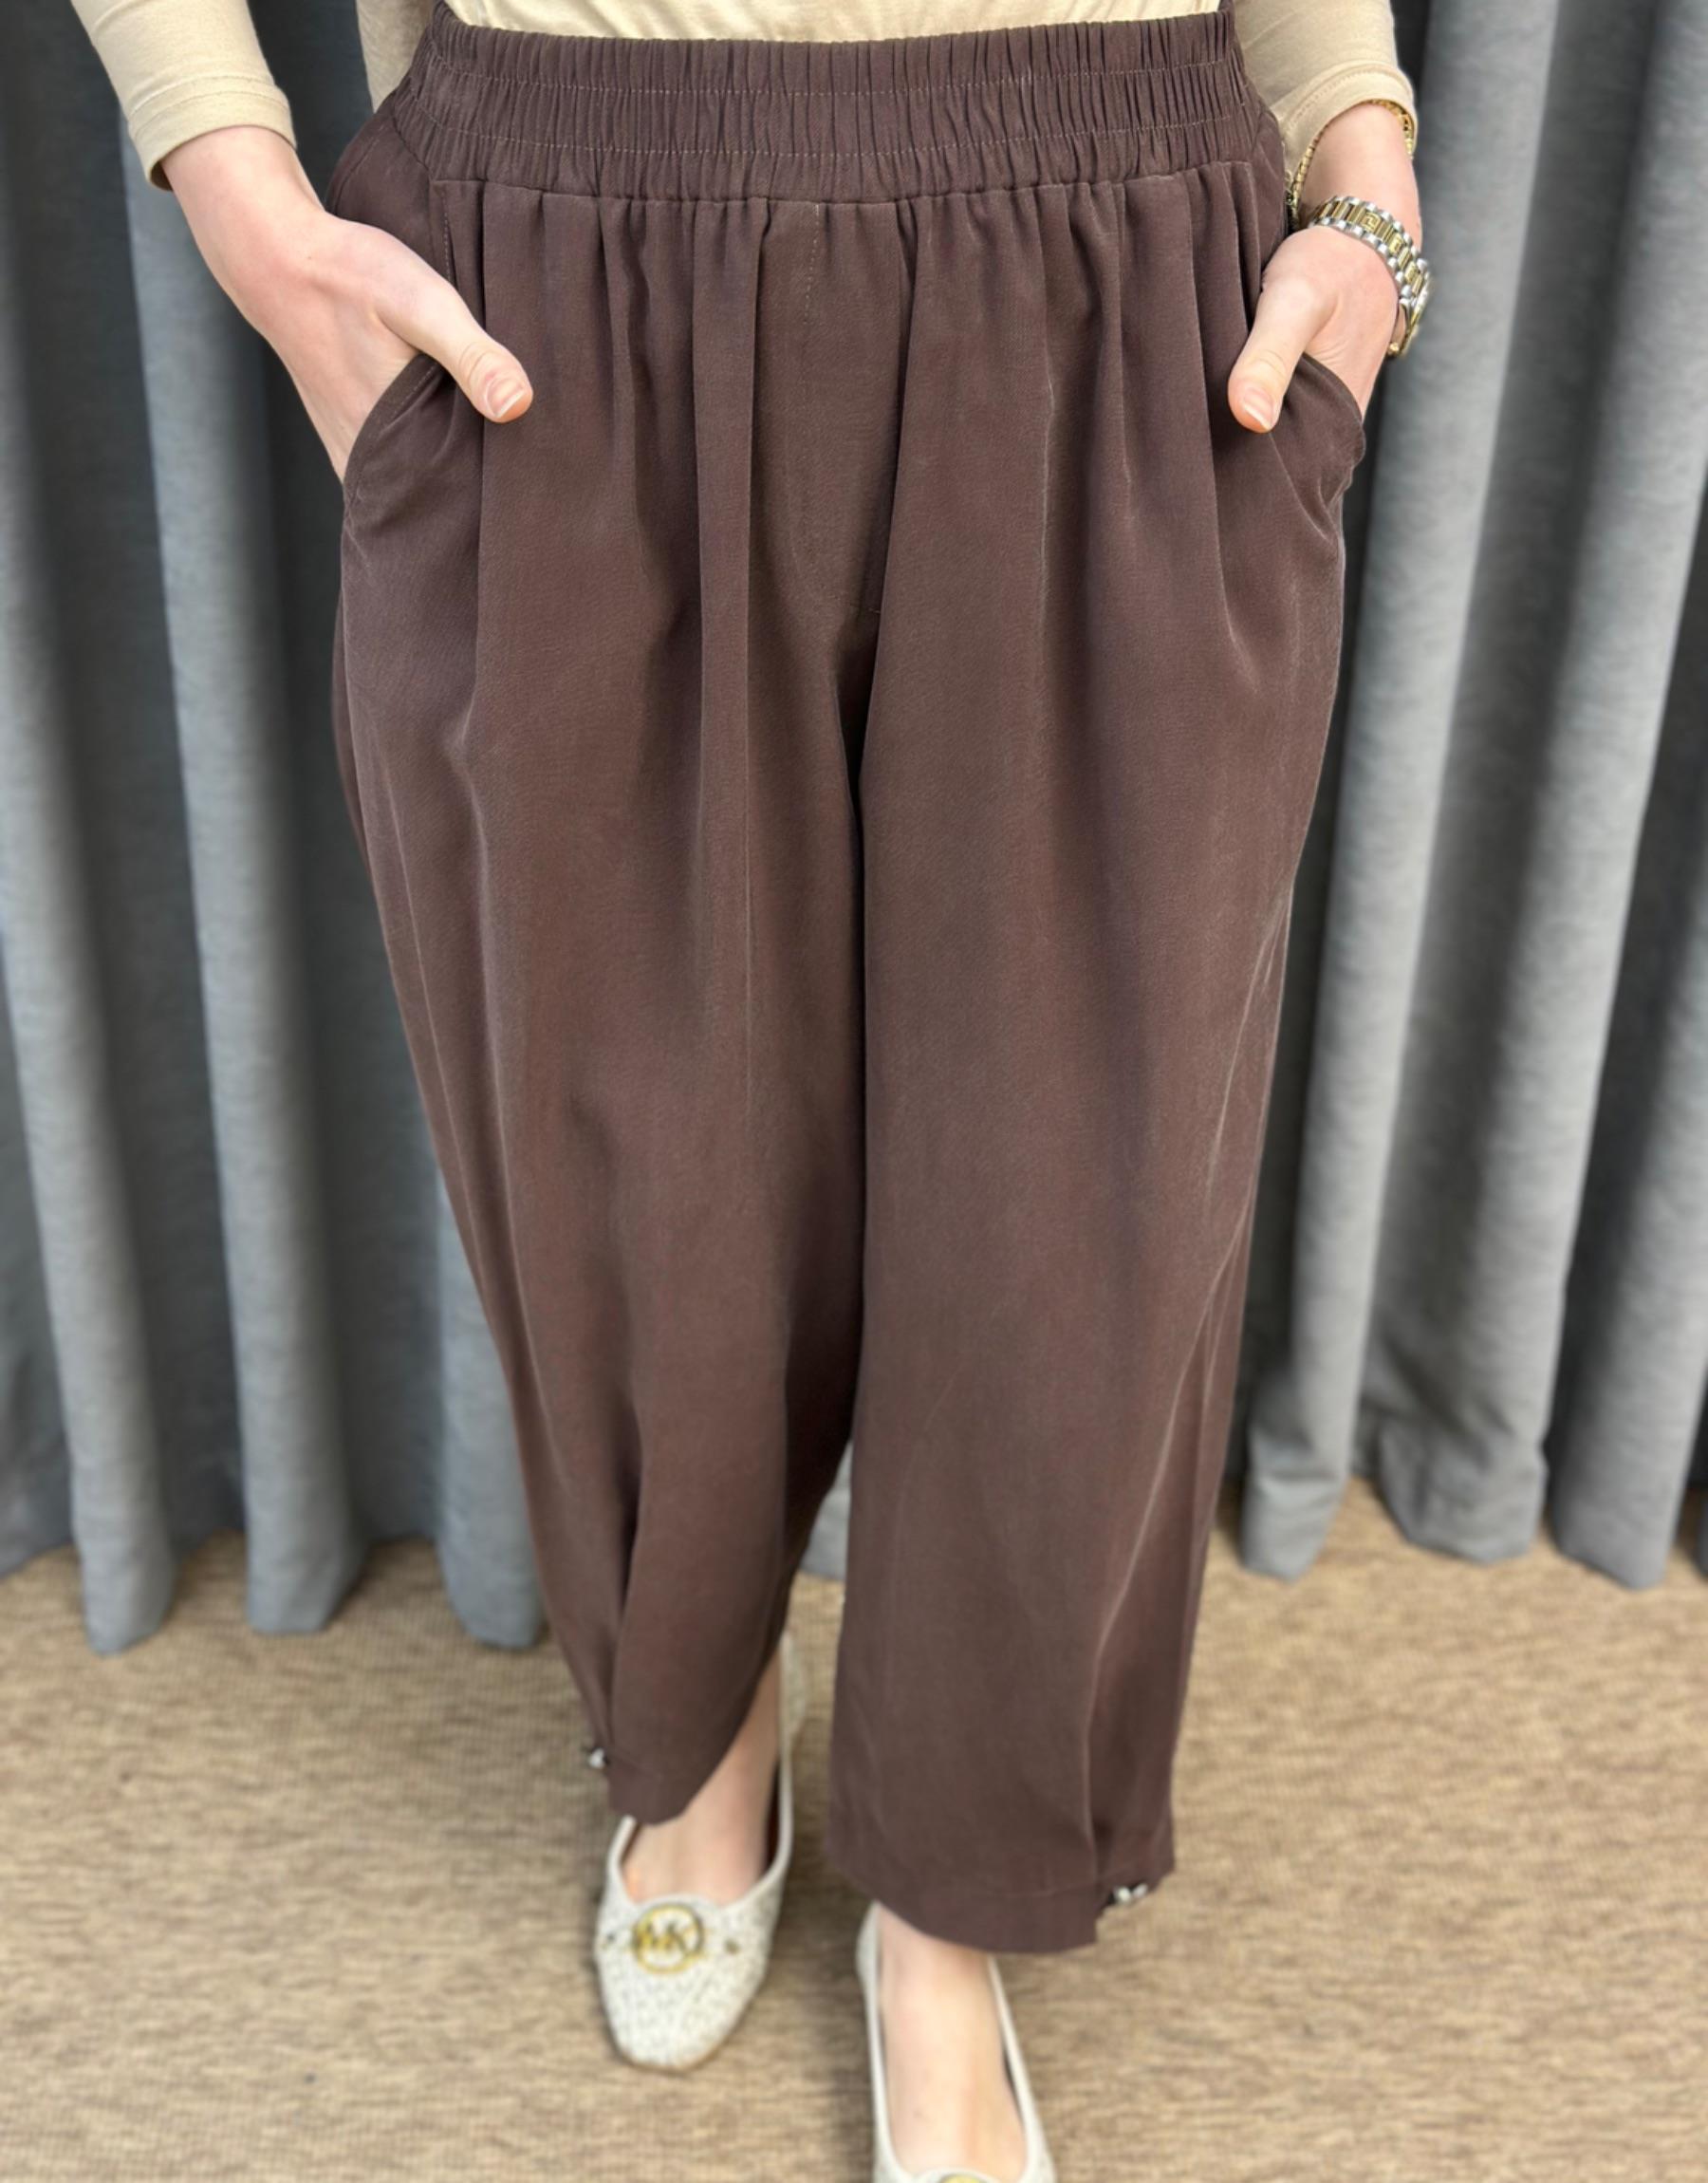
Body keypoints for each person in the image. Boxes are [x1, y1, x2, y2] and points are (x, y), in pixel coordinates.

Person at [68, 3, 1425, 2176]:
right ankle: (691, 1736)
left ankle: (954, 1895)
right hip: (569, 259)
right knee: (627, 1155)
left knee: (1069, 1196)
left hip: (1118, 247)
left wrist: (1359, 157)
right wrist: (231, 177)